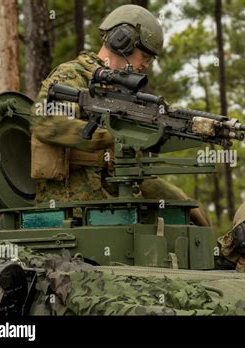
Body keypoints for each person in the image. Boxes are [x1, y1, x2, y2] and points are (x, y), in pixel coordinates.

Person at [29, 4, 209, 226]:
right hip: (71, 213)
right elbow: (47, 123)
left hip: (115, 210)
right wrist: (113, 134)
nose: (145, 65)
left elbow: (133, 170)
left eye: (150, 60)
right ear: (121, 40)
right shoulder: (72, 76)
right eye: (145, 56)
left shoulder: (122, 93)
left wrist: (182, 201)